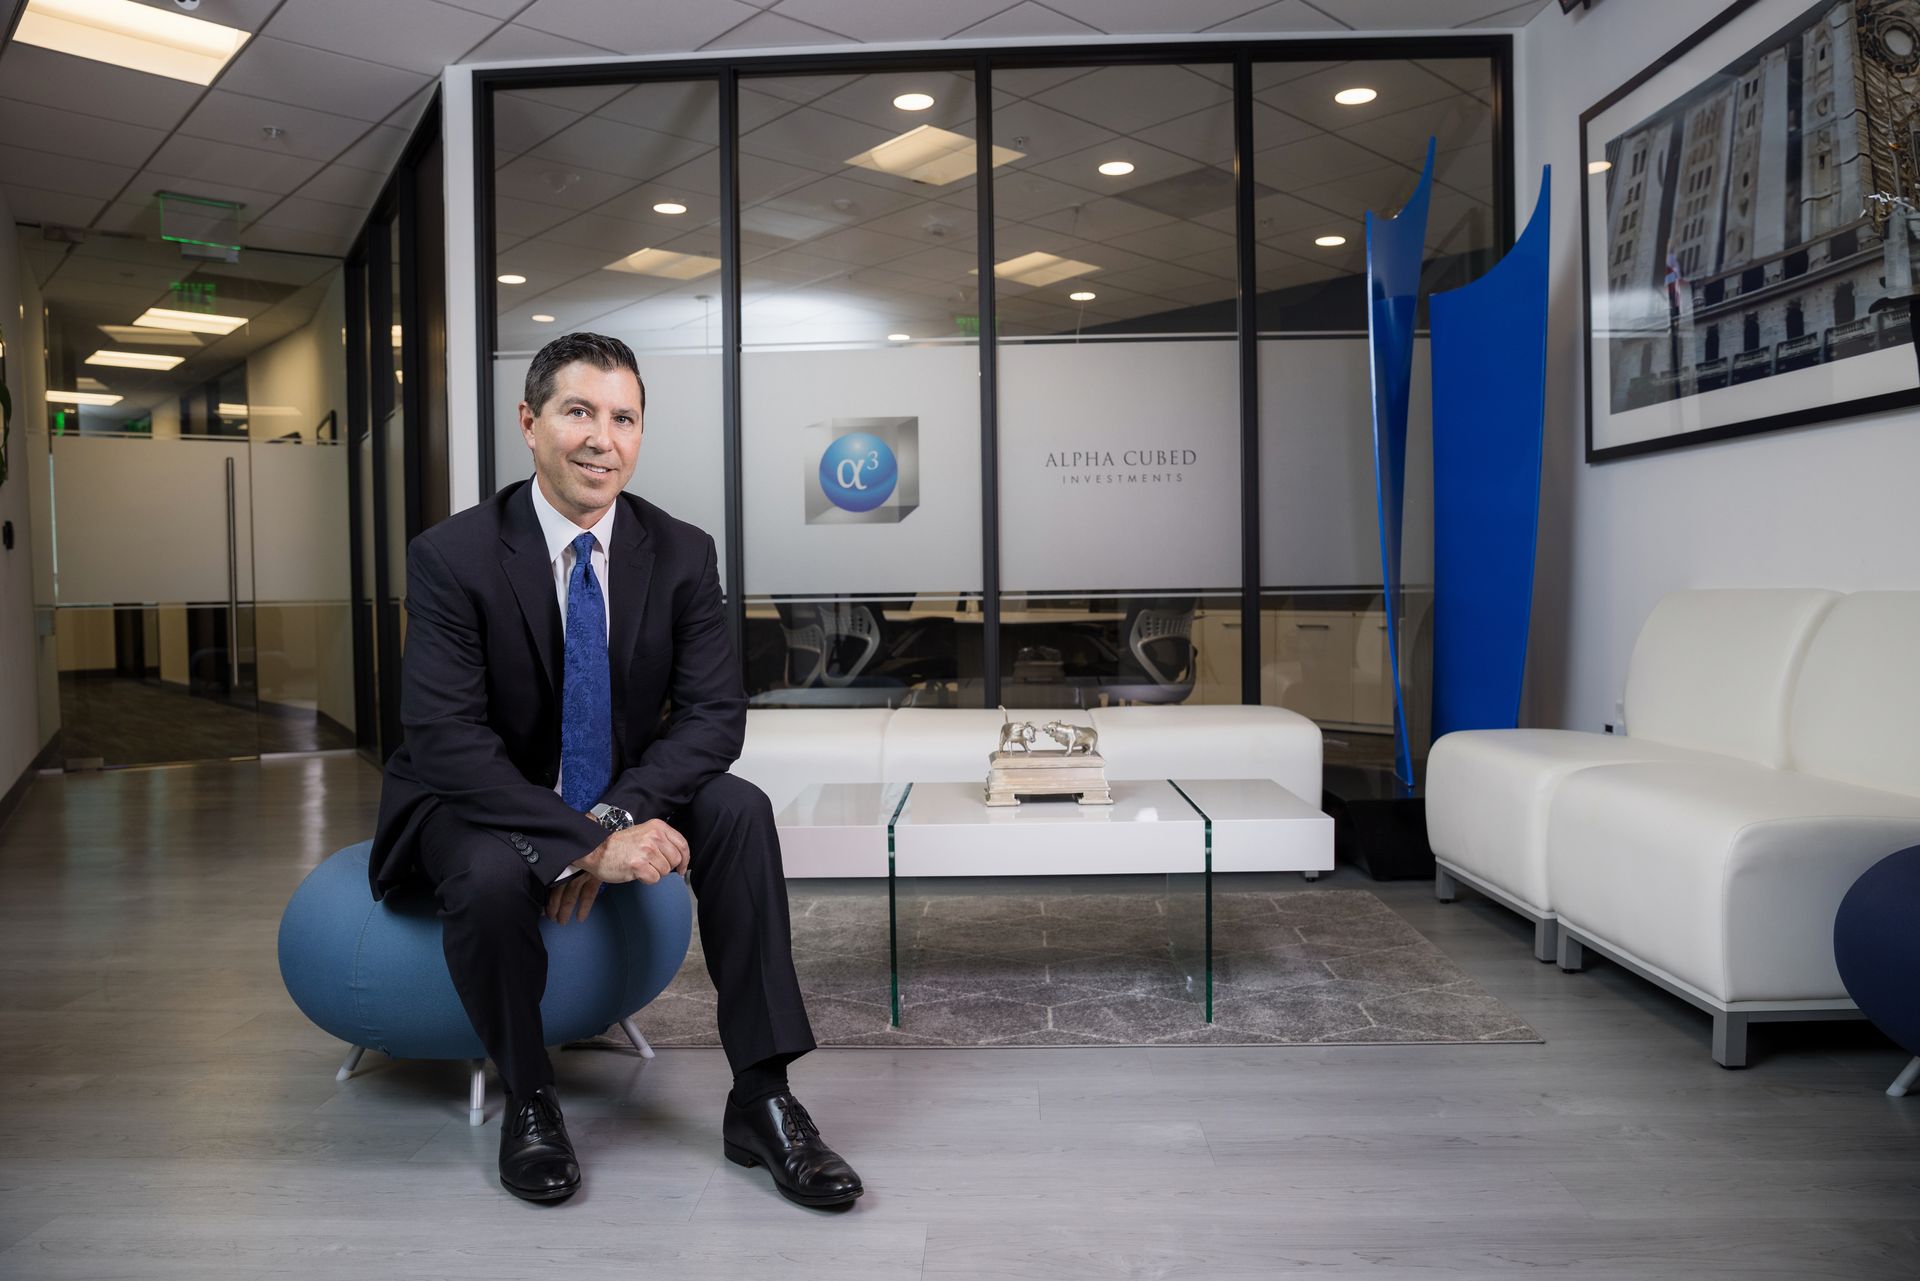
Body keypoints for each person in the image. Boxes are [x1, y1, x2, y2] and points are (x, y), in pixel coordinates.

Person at [370, 331, 860, 1208]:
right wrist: (582, 845)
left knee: (741, 809)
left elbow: (714, 716)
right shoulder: (454, 556)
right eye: (579, 412)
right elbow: (444, 736)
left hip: (621, 788)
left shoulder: (679, 550)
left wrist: (610, 821)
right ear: (530, 422)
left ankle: (764, 1096)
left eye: (623, 417)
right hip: (477, 794)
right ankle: (530, 1098)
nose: (603, 437)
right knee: (486, 873)